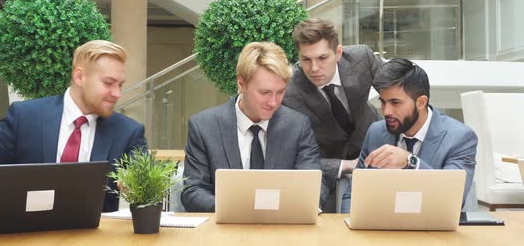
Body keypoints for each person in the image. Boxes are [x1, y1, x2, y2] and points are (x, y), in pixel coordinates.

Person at [0, 40, 147, 212]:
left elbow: (147, 185)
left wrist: (137, 186)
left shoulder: (129, 132)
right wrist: (16, 196)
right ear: (79, 77)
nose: (117, 93)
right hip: (25, 234)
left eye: (120, 85)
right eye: (108, 83)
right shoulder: (24, 117)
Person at [181, 41, 328, 212]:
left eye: (280, 92)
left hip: (282, 231)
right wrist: (238, 212)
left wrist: (308, 203)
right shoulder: (204, 127)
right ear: (241, 84)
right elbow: (192, 191)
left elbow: (314, 183)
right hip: (225, 232)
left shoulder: (298, 126)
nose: (273, 102)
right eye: (264, 92)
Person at [341, 58, 477, 213]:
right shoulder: (376, 133)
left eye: (395, 103)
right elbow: (353, 195)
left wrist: (410, 162)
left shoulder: (460, 138)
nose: (386, 112)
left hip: (432, 231)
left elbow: (454, 197)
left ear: (421, 102)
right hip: (381, 230)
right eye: (383, 102)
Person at [282, 18, 383, 212]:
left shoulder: (362, 59)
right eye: (306, 59)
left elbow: (398, 92)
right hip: (325, 166)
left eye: (322, 58)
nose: (314, 68)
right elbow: (291, 155)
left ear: (338, 53)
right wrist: (344, 165)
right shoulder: (289, 92)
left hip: (374, 147)